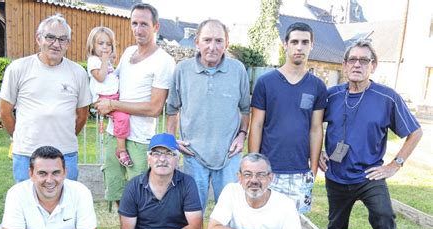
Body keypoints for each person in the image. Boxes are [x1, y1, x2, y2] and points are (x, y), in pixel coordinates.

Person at [316, 40, 422, 229]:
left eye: (364, 60)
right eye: (352, 59)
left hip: (370, 176)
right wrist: (317, 152)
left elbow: (415, 132)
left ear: (373, 66)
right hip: (337, 174)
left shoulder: (387, 98)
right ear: (344, 65)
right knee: (336, 226)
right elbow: (314, 126)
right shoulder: (332, 96)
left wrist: (395, 164)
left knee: (385, 219)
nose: (357, 65)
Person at [94, 3, 175, 208]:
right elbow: (113, 82)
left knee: (141, 194)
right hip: (116, 133)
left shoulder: (164, 61)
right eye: (134, 23)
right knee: (116, 188)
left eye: (144, 24)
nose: (138, 29)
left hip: (139, 139)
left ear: (156, 27)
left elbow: (155, 108)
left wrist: (112, 104)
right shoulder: (128, 52)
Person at [166, 19, 250, 213]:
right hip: (194, 156)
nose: (213, 47)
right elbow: (172, 109)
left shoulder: (238, 70)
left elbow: (245, 109)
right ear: (197, 42)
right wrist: (172, 141)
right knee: (193, 212)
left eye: (219, 41)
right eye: (207, 40)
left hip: (229, 156)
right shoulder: (182, 70)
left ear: (226, 44)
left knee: (230, 213)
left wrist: (242, 135)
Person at [0, 14, 91, 183]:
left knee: (65, 205)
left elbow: (82, 115)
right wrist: (21, 137)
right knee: (27, 204)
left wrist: (64, 137)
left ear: (68, 43)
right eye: (50, 37)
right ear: (38, 39)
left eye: (63, 39)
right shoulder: (18, 68)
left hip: (65, 154)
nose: (56, 44)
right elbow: (4, 112)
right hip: (27, 154)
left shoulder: (79, 73)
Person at [249, 22, 327, 214]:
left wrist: (313, 169)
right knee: (263, 224)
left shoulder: (317, 86)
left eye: (304, 42)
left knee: (293, 228)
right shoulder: (266, 82)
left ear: (311, 45)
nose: (299, 47)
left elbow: (316, 128)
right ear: (285, 44)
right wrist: (254, 165)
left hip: (300, 170)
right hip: (268, 169)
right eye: (294, 42)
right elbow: (257, 125)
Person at [86, 26, 133, 167]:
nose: (105, 47)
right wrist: (106, 60)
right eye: (101, 44)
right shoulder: (94, 60)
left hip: (114, 96)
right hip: (104, 98)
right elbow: (100, 77)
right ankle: (121, 150)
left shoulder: (104, 61)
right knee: (122, 118)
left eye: (108, 44)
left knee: (125, 114)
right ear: (92, 45)